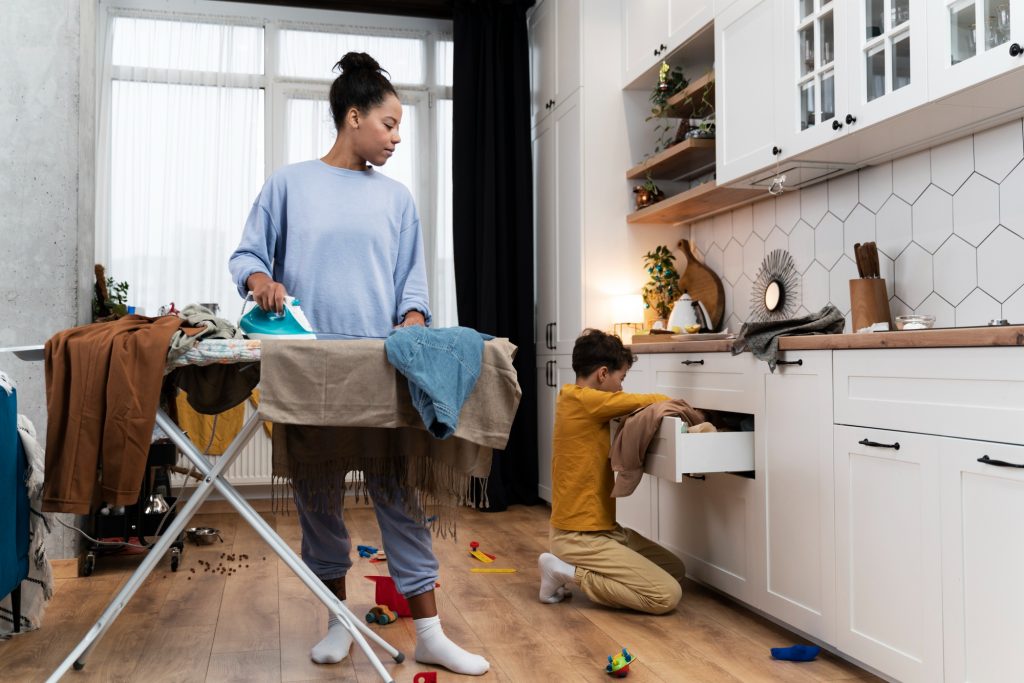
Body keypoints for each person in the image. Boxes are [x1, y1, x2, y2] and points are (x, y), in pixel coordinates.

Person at [229, 52, 488, 676]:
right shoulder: (288, 185)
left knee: (398, 496)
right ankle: (339, 621)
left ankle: (428, 630)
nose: (398, 138)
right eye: (390, 124)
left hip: (377, 369)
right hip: (310, 367)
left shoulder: (397, 200)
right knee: (318, 498)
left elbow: (413, 286)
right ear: (353, 118)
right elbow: (246, 256)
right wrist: (261, 279)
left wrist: (415, 322)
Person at [538, 328, 687, 614]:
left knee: (675, 570)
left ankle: (579, 568)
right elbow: (653, 399)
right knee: (666, 596)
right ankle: (563, 572)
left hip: (605, 530)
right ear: (603, 374)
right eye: (621, 378)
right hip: (578, 537)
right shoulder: (585, 401)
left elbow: (625, 406)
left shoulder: (576, 398)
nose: (622, 387)